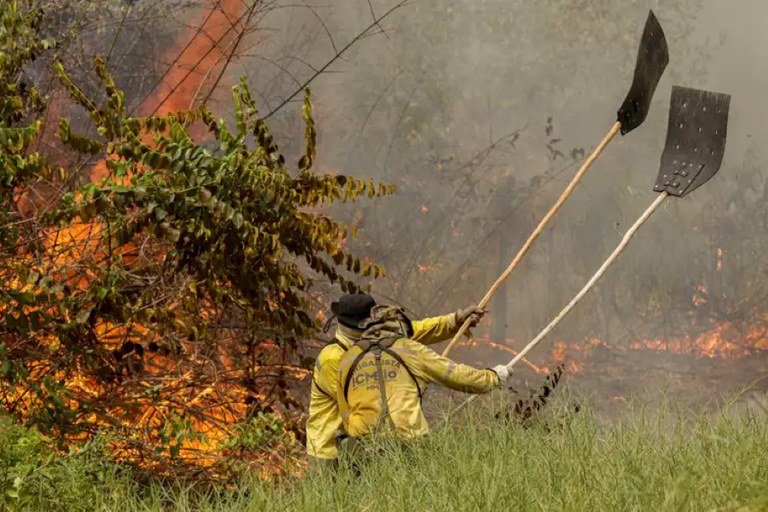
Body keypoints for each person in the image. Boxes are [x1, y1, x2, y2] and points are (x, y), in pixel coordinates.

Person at [305, 293, 486, 467]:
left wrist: (455, 320)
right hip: (330, 452)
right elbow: (365, 400)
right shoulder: (334, 359)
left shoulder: (373, 340)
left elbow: (416, 331)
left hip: (361, 449)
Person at [336, 304, 508, 450]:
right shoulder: (409, 349)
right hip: (407, 446)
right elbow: (456, 375)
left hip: (361, 449)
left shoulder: (347, 359)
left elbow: (344, 410)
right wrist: (493, 377)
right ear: (399, 327)